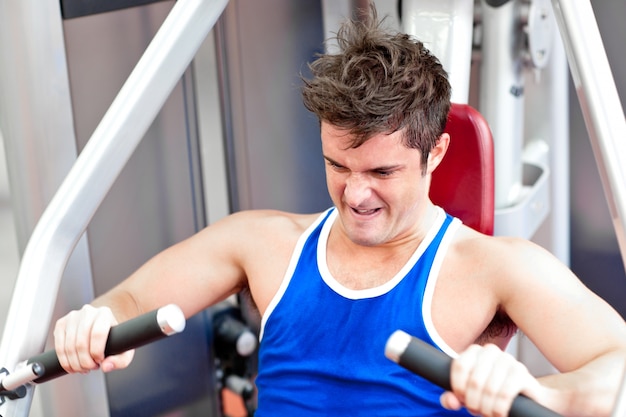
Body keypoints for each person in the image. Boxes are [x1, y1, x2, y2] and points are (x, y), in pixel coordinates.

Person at [53, 4, 626, 416]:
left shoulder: (495, 269)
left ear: (437, 153)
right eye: (338, 166)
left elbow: (616, 364)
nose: (355, 195)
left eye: (382, 172)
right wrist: (95, 320)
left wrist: (535, 391)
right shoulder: (263, 244)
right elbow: (128, 301)